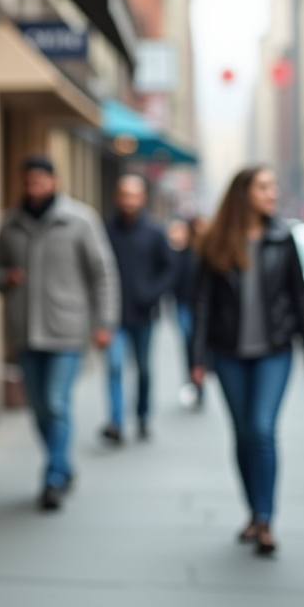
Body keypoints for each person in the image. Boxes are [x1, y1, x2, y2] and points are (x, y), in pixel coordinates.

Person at [0, 155, 120, 511]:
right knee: (40, 408)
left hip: (67, 329)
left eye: (40, 182)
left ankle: (53, 477)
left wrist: (105, 322)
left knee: (56, 402)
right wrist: (5, 278)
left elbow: (103, 273)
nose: (34, 189)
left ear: (54, 182)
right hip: (25, 331)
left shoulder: (80, 220)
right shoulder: (10, 223)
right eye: (28, 182)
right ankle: (62, 463)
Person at [192, 166, 304, 556]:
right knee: (243, 434)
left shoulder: (282, 238)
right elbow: (202, 303)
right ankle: (254, 512)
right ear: (244, 194)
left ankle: (266, 517)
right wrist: (197, 357)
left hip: (274, 351)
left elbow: (298, 295)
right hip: (228, 354)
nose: (272, 193)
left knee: (262, 429)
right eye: (264, 187)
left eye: (274, 186)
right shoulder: (216, 240)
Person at [102, 175, 176, 443]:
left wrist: (151, 293)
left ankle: (143, 416)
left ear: (142, 198)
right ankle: (116, 422)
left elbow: (170, 269)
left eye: (134, 195)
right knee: (114, 367)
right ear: (117, 197)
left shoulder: (154, 232)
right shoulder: (106, 231)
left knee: (143, 369)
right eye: (124, 195)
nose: (129, 201)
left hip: (144, 314)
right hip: (113, 315)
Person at [169, 215, 208, 408]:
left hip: (201, 305)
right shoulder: (183, 252)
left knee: (198, 343)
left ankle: (200, 383)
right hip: (184, 303)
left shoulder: (208, 252)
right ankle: (192, 379)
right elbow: (173, 275)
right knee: (188, 341)